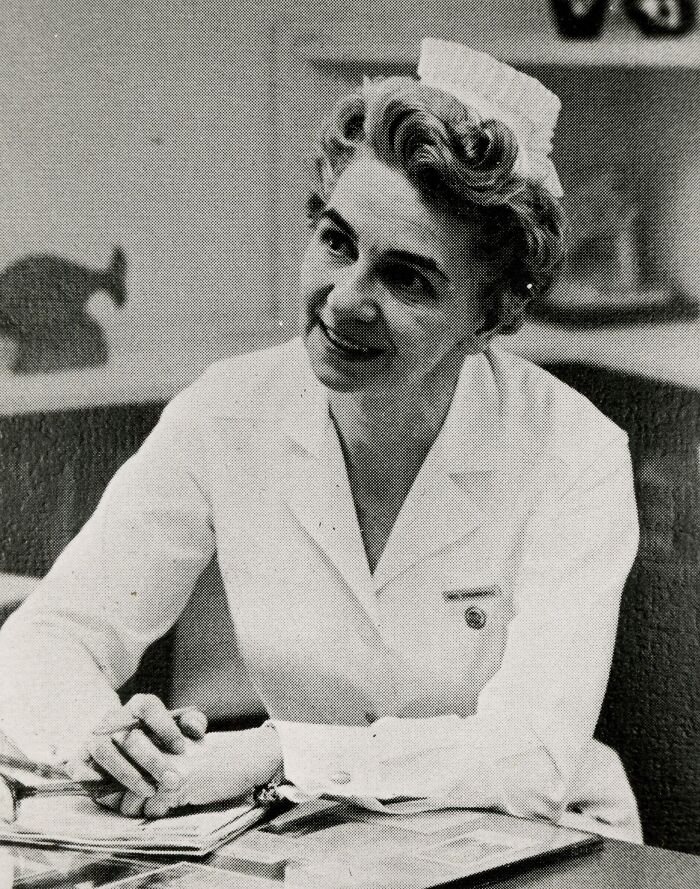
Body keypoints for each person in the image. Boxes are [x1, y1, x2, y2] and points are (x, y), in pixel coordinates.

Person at [0, 39, 641, 840]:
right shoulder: (227, 411)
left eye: (406, 277)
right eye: (338, 242)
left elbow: (531, 756)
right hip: (324, 841)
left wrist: (281, 753)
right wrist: (106, 739)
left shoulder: (574, 455)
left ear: (491, 313)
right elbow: (46, 636)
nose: (344, 300)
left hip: (551, 842)